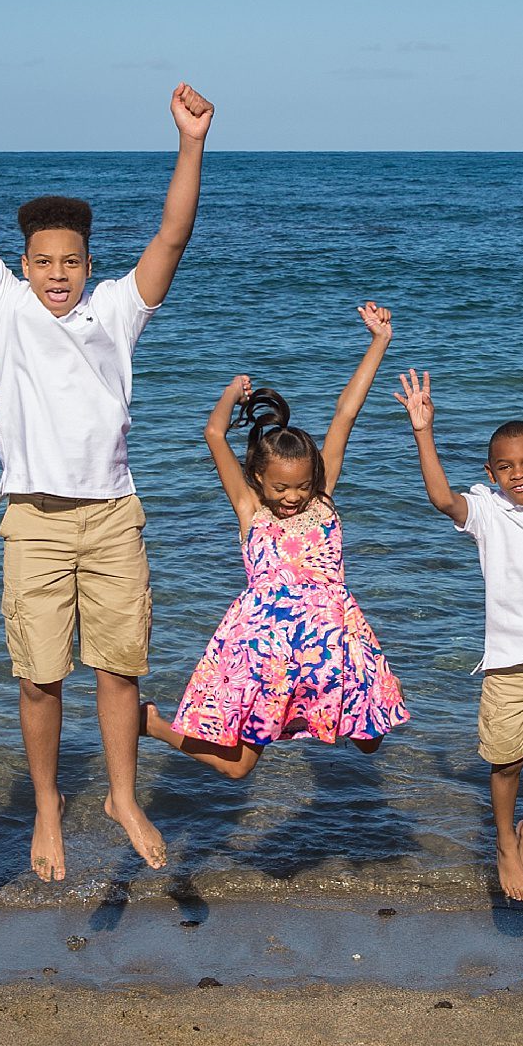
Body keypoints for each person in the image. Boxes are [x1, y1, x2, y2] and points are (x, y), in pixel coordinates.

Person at [0, 42, 213, 880]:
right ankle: (50, 806)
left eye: (71, 262)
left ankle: (123, 796)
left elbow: (173, 234)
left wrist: (191, 144)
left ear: (90, 266)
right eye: (44, 262)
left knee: (121, 668)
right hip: (33, 518)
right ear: (24, 267)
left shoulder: (117, 311)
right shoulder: (5, 310)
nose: (57, 274)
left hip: (111, 514)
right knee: (39, 678)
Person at [141, 303, 409, 777]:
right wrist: (230, 392)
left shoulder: (323, 502)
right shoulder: (250, 510)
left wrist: (379, 342)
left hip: (333, 642)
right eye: (282, 488)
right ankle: (153, 725)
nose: (292, 498)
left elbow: (346, 412)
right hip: (266, 650)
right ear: (259, 478)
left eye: (302, 487)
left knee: (372, 738)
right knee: (239, 767)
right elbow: (214, 433)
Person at [393, 327, 523, 902]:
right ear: (491, 473)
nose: (519, 474)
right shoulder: (485, 511)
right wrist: (424, 430)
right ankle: (504, 842)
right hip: (508, 664)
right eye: (507, 466)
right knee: (505, 763)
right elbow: (442, 498)